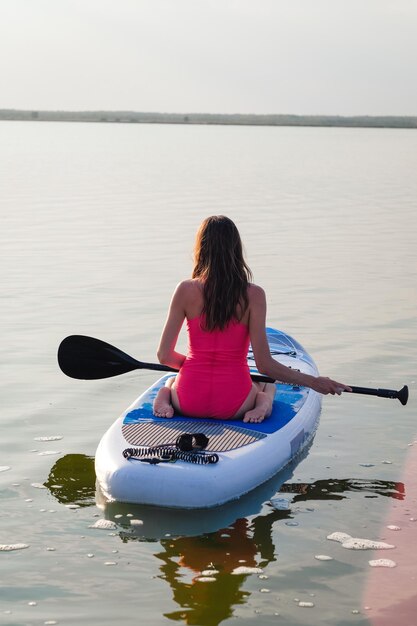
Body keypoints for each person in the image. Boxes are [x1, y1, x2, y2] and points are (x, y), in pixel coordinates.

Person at [153, 215, 351, 423]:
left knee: (172, 380)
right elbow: (265, 366)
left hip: (187, 399)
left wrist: (194, 365)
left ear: (200, 249)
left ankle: (164, 398)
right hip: (233, 403)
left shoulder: (184, 290)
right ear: (236, 249)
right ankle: (262, 405)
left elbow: (164, 356)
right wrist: (313, 381)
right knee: (267, 385)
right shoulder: (254, 295)